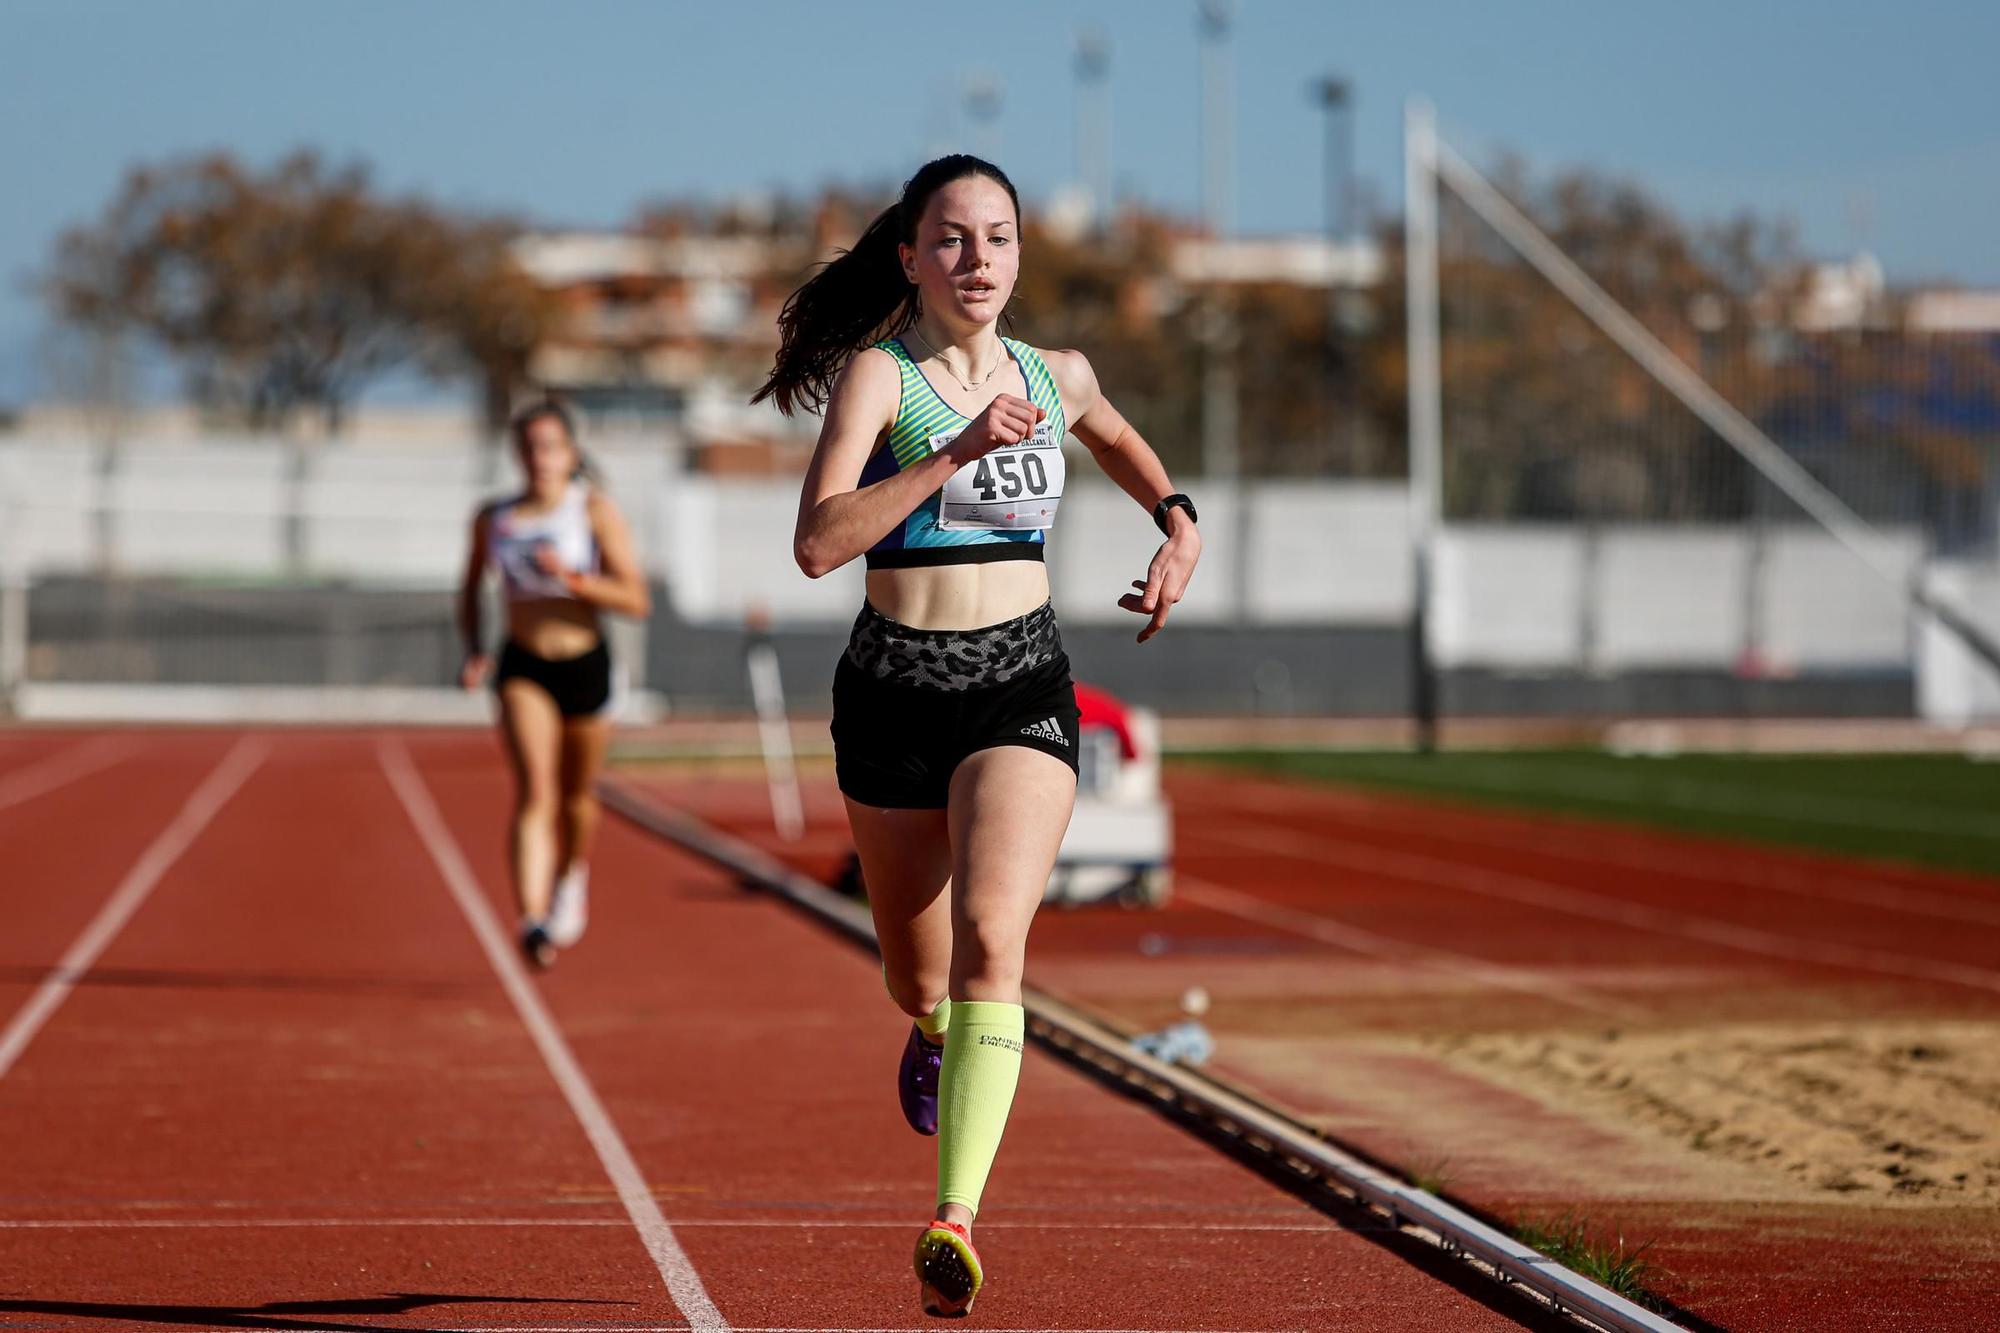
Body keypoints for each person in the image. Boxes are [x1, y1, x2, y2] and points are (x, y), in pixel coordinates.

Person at [755, 154, 1201, 1317]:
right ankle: (936, 1026)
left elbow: (1113, 436)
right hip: (893, 694)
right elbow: (815, 544)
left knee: (994, 933)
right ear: (908, 256)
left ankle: (951, 1221)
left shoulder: (1056, 374)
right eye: (950, 239)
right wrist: (953, 451)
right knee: (917, 974)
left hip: (1019, 683)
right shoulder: (881, 378)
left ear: (1018, 253)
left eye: (996, 237)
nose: (976, 260)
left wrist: (1175, 524)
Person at [457, 401, 651, 969]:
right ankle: (533, 919)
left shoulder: (590, 510)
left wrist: (571, 580)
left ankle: (571, 873)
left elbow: (635, 599)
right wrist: (473, 649)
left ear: (569, 453)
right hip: (523, 665)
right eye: (528, 447)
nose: (538, 458)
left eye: (549, 446)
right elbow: (469, 586)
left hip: (585, 663)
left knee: (576, 797)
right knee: (535, 790)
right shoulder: (494, 517)